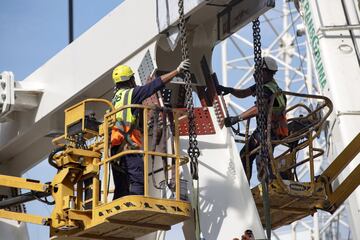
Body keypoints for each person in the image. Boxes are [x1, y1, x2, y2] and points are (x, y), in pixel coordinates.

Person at [110, 59, 190, 199]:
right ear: (130, 79)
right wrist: (177, 71)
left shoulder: (114, 99)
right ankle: (137, 206)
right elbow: (154, 85)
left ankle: (120, 211)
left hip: (115, 147)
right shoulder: (131, 94)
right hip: (129, 145)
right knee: (137, 179)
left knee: (121, 183)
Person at [217, 56, 288, 182]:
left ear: (265, 72)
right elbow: (245, 93)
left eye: (258, 71)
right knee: (254, 155)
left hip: (269, 132)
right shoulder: (269, 85)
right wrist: (230, 90)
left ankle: (249, 187)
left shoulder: (267, 89)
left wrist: (237, 118)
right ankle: (261, 182)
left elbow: (259, 108)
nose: (255, 74)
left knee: (247, 156)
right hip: (273, 131)